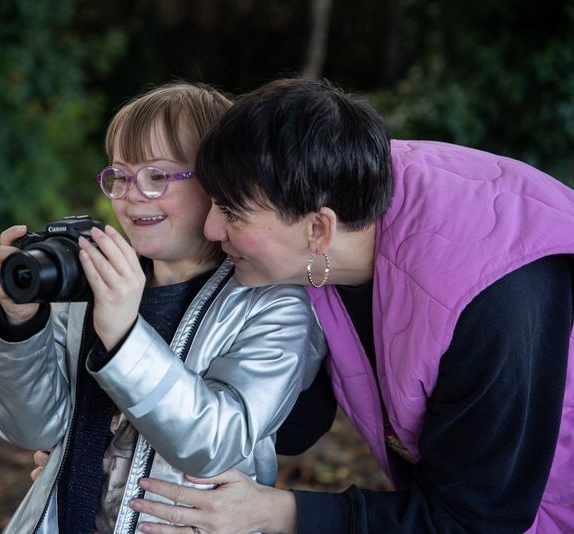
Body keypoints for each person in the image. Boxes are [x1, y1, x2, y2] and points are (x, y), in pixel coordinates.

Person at [127, 78, 574, 533]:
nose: (211, 229)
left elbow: (475, 520)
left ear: (319, 229)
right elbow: (298, 422)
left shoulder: (488, 304)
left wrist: (279, 513)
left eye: (233, 213)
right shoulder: (321, 193)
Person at [0, 82, 329, 533]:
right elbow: (31, 429)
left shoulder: (270, 305)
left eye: (156, 177)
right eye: (120, 176)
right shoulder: (94, 280)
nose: (130, 194)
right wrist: (20, 325)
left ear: (219, 182)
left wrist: (126, 337)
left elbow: (214, 443)